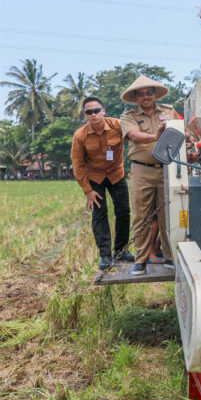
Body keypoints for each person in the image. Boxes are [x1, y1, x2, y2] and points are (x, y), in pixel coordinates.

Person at [120, 75, 179, 275]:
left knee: (168, 214)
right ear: (136, 97)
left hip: (167, 168)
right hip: (141, 169)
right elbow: (134, 136)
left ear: (155, 94)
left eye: (149, 92)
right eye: (141, 93)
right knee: (142, 215)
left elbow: (182, 130)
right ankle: (141, 260)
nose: (146, 96)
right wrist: (156, 136)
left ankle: (170, 256)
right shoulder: (128, 116)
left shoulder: (169, 112)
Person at [70, 96, 133, 270]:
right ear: (85, 115)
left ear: (103, 111)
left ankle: (121, 252)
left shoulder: (117, 125)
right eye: (89, 112)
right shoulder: (80, 135)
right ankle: (105, 256)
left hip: (116, 174)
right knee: (99, 214)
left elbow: (134, 133)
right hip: (94, 177)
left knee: (124, 211)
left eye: (96, 110)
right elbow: (78, 164)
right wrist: (87, 190)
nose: (94, 114)